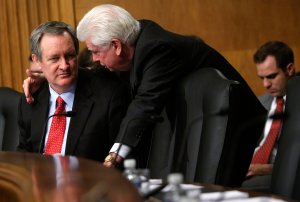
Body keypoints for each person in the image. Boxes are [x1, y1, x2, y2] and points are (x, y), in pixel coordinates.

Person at [23, 4, 256, 168]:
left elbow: (144, 106)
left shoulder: (157, 49)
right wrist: (47, 77)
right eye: (54, 59)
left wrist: (113, 156)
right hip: (209, 125)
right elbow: (91, 72)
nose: (93, 59)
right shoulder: (134, 41)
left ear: (116, 45)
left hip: (239, 124)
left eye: (95, 51)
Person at [17, 21, 130, 163]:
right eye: (55, 58)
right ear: (37, 60)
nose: (64, 66)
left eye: (70, 56)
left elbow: (122, 161)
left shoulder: (109, 95)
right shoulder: (31, 98)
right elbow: (24, 154)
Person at [242, 41, 295, 192]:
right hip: (249, 168)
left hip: (278, 172)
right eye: (261, 78)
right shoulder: (260, 102)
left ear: (289, 69)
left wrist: (264, 169)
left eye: (271, 76)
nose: (265, 84)